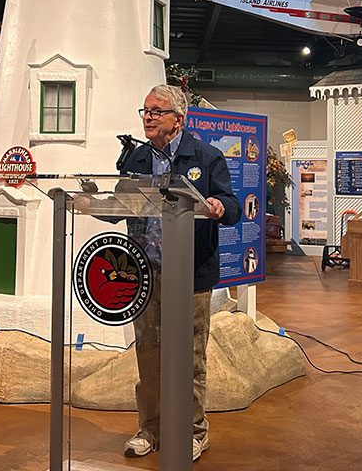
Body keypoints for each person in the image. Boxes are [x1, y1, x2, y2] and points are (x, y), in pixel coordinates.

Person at [119, 84, 242, 463]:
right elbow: (120, 201)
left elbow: (234, 206)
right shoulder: (136, 159)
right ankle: (151, 427)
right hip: (146, 273)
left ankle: (194, 431)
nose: (149, 118)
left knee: (190, 356)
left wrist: (220, 204)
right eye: (145, 112)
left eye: (157, 111)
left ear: (178, 119)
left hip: (190, 274)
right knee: (148, 352)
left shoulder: (206, 157)